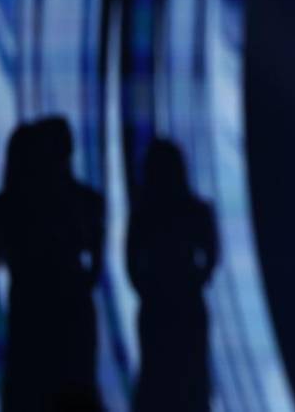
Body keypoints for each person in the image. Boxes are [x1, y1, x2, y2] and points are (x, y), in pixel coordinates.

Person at [0, 118, 104, 411]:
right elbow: (95, 267)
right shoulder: (88, 202)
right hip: (68, 309)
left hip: (32, 312)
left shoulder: (8, 207)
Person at [127, 139, 218, 412]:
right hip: (184, 302)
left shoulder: (144, 214)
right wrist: (193, 281)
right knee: (187, 377)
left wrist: (148, 287)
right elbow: (212, 256)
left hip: (158, 303)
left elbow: (131, 260)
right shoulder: (196, 210)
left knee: (159, 375)